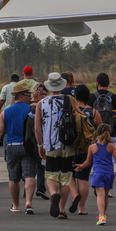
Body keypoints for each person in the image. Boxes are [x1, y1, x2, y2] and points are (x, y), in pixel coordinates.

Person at [0, 83, 37, 214]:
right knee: (29, 175)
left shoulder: (6, 112)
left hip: (11, 146)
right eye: (28, 95)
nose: (30, 98)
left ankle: (16, 205)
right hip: (28, 147)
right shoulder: (31, 110)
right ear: (22, 96)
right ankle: (29, 202)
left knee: (13, 178)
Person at [36, 72, 78, 219]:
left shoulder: (42, 103)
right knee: (66, 178)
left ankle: (54, 194)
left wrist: (40, 144)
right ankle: (61, 210)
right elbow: (79, 119)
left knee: (51, 175)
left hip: (50, 145)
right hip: (68, 145)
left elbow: (37, 127)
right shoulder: (71, 100)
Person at [75, 124, 116, 226]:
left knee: (100, 195)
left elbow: (88, 162)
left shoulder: (92, 147)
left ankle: (101, 216)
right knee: (105, 195)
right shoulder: (111, 147)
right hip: (109, 172)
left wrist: (81, 167)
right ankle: (103, 214)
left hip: (98, 173)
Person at [69, 84, 101, 216]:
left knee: (69, 175)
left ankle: (74, 195)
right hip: (88, 148)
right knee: (83, 177)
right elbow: (100, 131)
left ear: (75, 96)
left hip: (72, 147)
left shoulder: (71, 112)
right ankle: (82, 208)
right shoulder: (93, 112)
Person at [87, 73, 116, 139]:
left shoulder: (90, 97)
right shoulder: (115, 98)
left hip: (95, 135)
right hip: (111, 134)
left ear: (97, 84)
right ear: (109, 84)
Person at [31, 82, 50, 201]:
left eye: (45, 94)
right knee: (37, 165)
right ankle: (39, 188)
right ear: (36, 94)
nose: (44, 96)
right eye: (41, 94)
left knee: (39, 165)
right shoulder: (37, 107)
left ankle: (39, 188)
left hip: (38, 139)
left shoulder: (43, 106)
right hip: (34, 139)